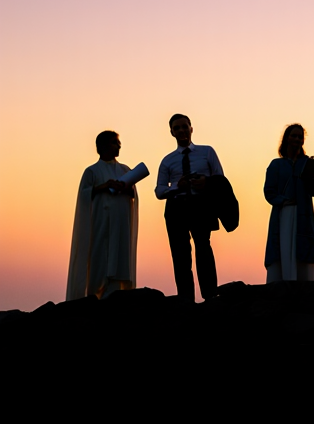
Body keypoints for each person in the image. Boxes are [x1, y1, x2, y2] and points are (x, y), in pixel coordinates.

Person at [155, 113, 224, 301]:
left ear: (191, 128)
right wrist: (178, 186)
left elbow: (220, 179)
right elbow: (159, 191)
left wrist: (206, 182)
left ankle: (210, 295)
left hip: (201, 205)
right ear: (171, 132)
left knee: (204, 248)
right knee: (180, 254)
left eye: (184, 126)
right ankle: (186, 299)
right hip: (176, 207)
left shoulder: (207, 152)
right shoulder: (167, 161)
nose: (182, 130)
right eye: (177, 128)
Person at [67, 131, 139, 300]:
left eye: (119, 143)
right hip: (100, 222)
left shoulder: (125, 170)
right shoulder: (92, 171)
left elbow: (133, 194)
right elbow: (84, 195)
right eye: (115, 142)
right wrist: (104, 186)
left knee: (120, 253)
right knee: (99, 255)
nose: (119, 146)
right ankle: (95, 294)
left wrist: (126, 188)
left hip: (121, 223)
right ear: (102, 147)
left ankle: (117, 293)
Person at [263, 124, 314, 283]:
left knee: (304, 249)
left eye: (300, 137)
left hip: (304, 214)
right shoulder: (276, 165)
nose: (297, 139)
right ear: (286, 139)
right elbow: (269, 191)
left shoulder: (306, 163)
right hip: (284, 214)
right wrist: (283, 201)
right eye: (294, 136)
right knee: (283, 249)